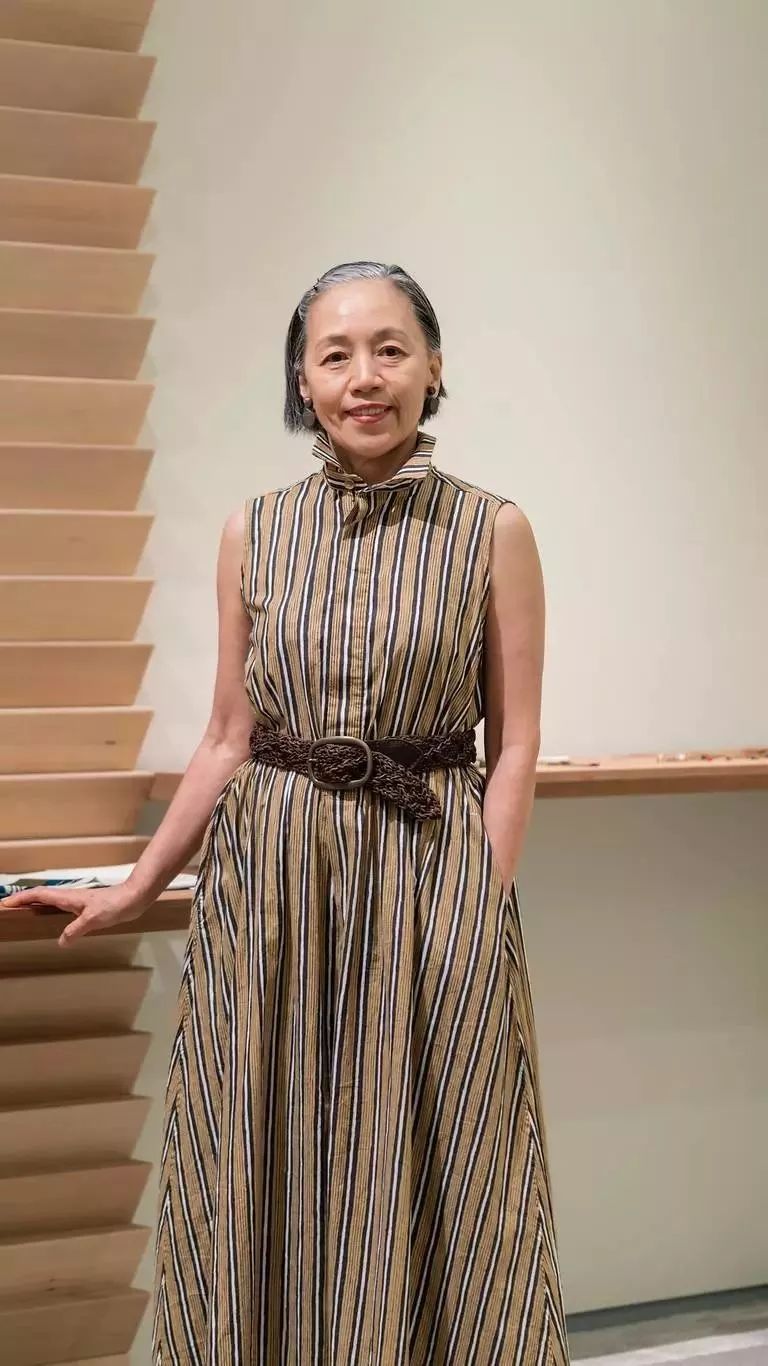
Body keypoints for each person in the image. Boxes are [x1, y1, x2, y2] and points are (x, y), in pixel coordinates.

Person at [1, 260, 570, 1364]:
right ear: (302, 382)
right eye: (336, 355)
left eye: (391, 349)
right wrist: (136, 887)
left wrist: (479, 906)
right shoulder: (253, 531)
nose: (366, 377)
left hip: (427, 879)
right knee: (264, 1152)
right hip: (270, 889)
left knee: (448, 1155)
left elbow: (515, 742)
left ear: (434, 366)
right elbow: (227, 736)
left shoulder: (492, 529)